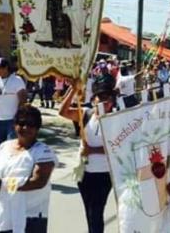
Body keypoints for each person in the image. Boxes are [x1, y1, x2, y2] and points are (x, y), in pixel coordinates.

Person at [59, 74, 116, 233]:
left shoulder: (116, 119)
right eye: (100, 97)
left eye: (108, 98)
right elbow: (62, 111)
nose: (105, 101)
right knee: (89, 212)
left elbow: (116, 147)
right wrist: (73, 90)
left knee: (96, 212)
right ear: (94, 99)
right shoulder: (86, 114)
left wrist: (93, 150)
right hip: (85, 172)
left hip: (103, 174)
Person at [0, 105, 57, 233]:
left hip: (30, 217)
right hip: (3, 214)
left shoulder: (43, 152)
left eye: (31, 124)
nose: (26, 128)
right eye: (22, 123)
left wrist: (5, 184)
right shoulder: (3, 147)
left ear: (38, 128)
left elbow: (39, 181)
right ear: (15, 125)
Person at [0, 58, 27, 150]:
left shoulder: (17, 80)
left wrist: (18, 116)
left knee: (11, 148)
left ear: (6, 67)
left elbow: (22, 99)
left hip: (12, 121)